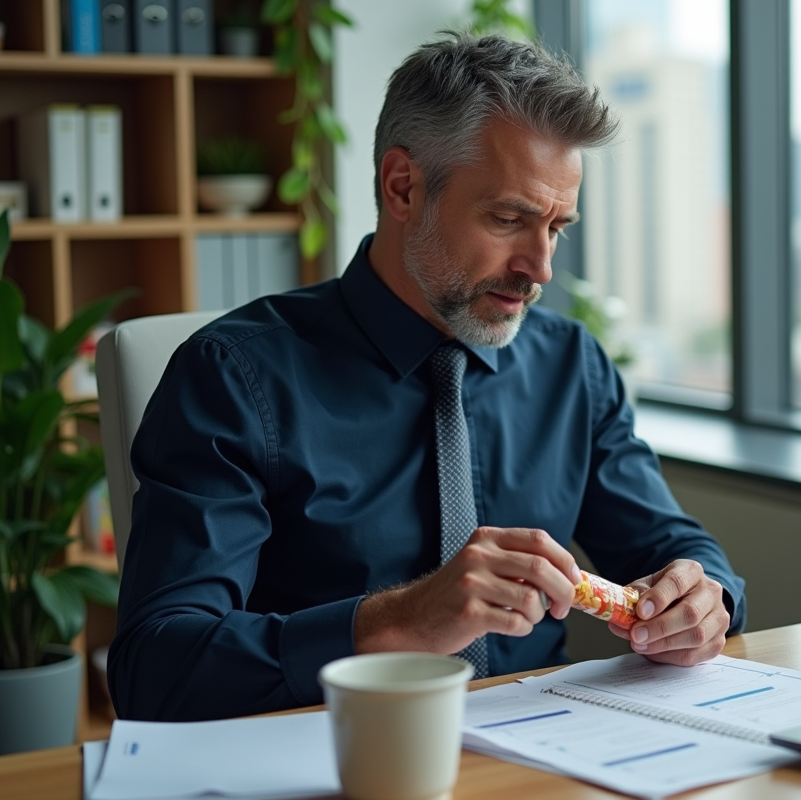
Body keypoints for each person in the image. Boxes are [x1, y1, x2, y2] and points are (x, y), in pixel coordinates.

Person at [108, 32, 746, 722]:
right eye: (509, 218)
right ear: (403, 186)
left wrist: (703, 596)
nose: (541, 268)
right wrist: (398, 624)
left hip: (546, 758)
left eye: (557, 227)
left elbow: (676, 549)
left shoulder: (572, 366)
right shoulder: (232, 377)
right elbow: (157, 666)